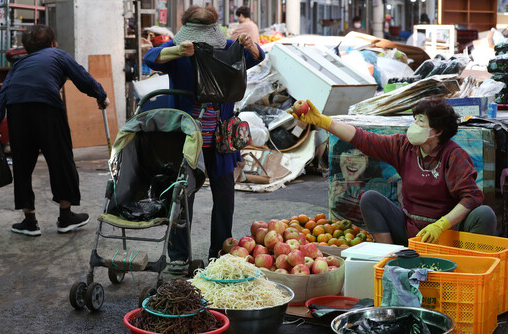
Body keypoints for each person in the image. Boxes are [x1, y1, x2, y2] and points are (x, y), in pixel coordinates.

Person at [143, 5, 264, 269]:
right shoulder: (178, 52)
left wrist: (250, 45)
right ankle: (178, 258)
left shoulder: (226, 48)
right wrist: (177, 50)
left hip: (221, 138)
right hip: (187, 138)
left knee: (224, 197)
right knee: (182, 198)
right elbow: (150, 58)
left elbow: (256, 57)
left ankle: (218, 254)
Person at [289, 99, 496, 246]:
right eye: (415, 119)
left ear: (437, 131)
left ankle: (468, 265)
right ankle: (389, 258)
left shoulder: (454, 156)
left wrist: (441, 225)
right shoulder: (404, 147)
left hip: (448, 235)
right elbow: (362, 138)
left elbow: (471, 197)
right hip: (410, 232)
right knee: (370, 199)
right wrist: (323, 121)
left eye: (420, 121)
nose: (414, 125)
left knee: (484, 214)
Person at [0, 24, 110, 236]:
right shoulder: (58, 55)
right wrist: (100, 95)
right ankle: (65, 217)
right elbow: (81, 77)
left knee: (23, 165)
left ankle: (29, 221)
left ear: (26, 49)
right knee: (60, 159)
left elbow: (4, 91)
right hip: (47, 107)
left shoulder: (19, 63)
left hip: (17, 110)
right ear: (53, 44)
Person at [329, 140, 398, 230]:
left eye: (360, 155)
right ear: (339, 156)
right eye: (348, 152)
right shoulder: (334, 187)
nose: (353, 161)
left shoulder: (378, 189)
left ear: (368, 161)